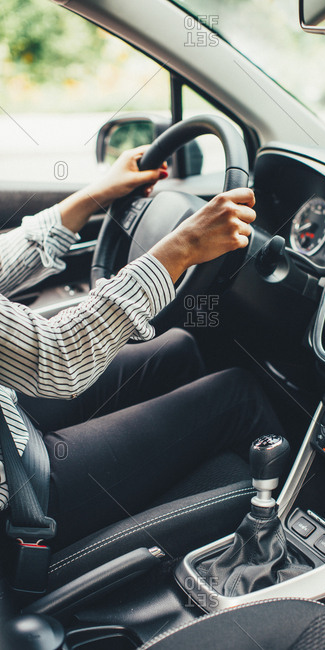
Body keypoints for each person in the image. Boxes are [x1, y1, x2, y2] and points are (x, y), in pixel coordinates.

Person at [0, 146, 285, 549]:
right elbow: (59, 358)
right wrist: (180, 247)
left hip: (9, 412)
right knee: (238, 396)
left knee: (177, 347)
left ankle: (187, 490)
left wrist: (94, 194)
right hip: (17, 492)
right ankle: (297, 530)